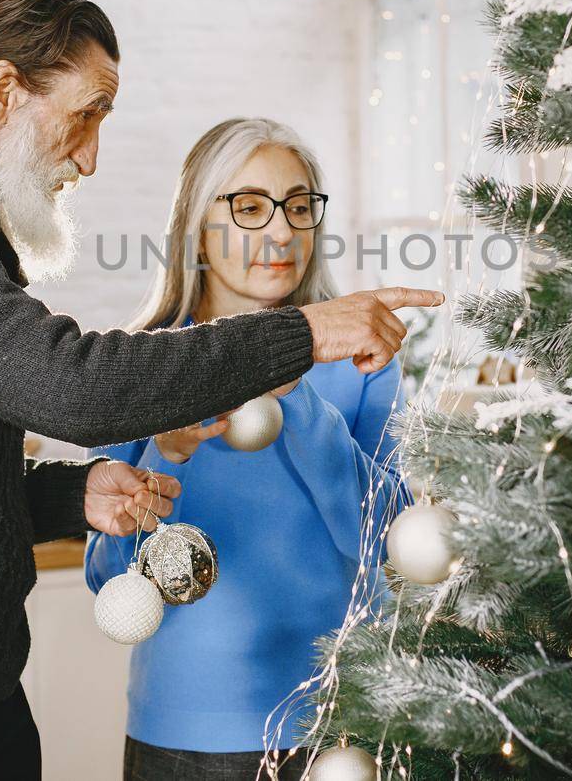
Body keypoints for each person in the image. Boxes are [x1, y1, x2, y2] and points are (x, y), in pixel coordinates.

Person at [0, 0, 441, 780]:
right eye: (86, 113)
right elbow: (70, 385)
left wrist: (72, 497)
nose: (91, 154)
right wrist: (304, 333)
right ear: (4, 91)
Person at [86, 118, 412, 781]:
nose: (282, 231)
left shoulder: (363, 362)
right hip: (183, 739)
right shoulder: (140, 363)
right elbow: (105, 578)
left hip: (343, 731)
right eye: (250, 206)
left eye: (298, 205)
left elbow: (390, 539)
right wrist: (162, 455)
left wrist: (294, 390)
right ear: (196, 226)